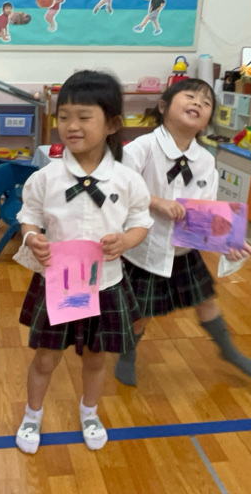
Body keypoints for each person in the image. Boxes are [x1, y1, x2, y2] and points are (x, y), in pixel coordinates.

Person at [14, 70, 152, 454]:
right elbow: (28, 216)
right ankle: (32, 414)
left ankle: (89, 412)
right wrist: (31, 237)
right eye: (64, 117)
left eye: (84, 117)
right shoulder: (46, 177)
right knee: (46, 358)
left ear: (112, 124)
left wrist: (126, 240)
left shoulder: (127, 179)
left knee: (95, 357)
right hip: (57, 283)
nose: (71, 126)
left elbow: (141, 222)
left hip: (105, 284)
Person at [117, 79, 251, 386]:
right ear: (163, 106)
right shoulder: (142, 148)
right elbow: (120, 189)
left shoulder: (206, 160)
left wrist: (230, 241)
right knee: (141, 312)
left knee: (206, 300)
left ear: (207, 121)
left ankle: (227, 349)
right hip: (145, 248)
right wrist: (157, 202)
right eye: (190, 96)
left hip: (183, 248)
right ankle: (127, 356)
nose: (198, 103)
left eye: (206, 103)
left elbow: (207, 211)